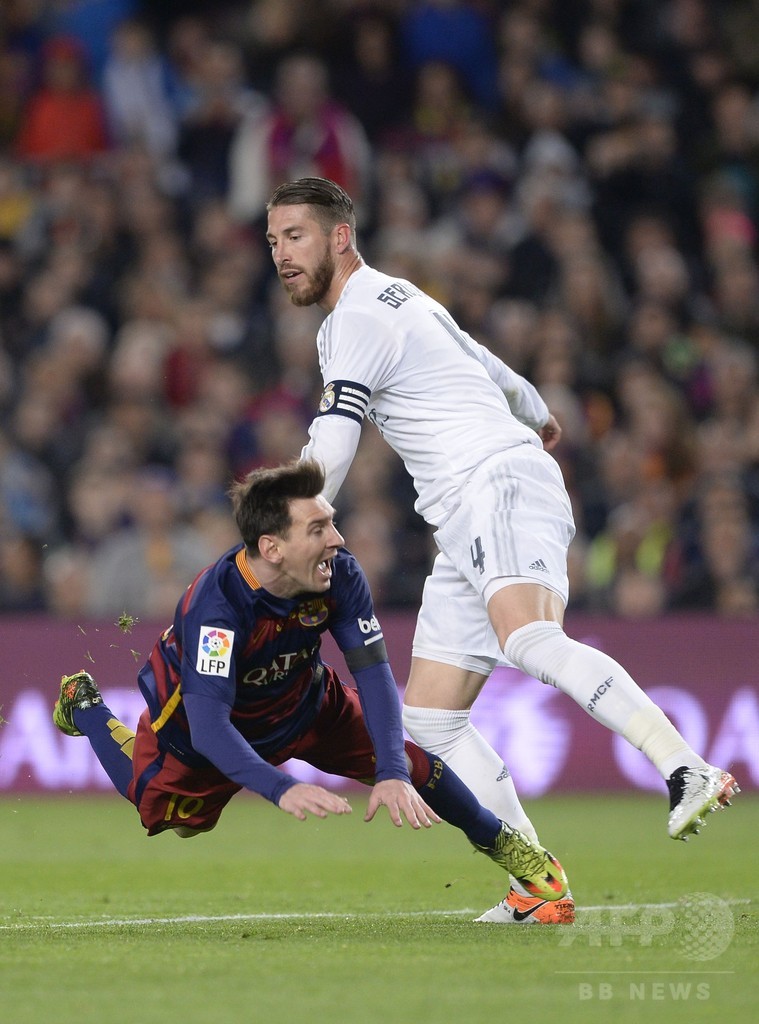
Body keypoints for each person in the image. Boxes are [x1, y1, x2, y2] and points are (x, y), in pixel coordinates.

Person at [265, 176, 740, 924]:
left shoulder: (356, 317)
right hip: (466, 513)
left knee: (529, 639)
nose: (281, 254)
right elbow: (483, 361)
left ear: (340, 236)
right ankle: (536, 884)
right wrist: (536, 410)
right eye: (272, 241)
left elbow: (334, 439)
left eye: (295, 236)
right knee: (429, 721)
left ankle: (685, 766)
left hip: (494, 482)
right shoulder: (402, 299)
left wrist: (289, 518)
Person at [53, 459, 568, 919]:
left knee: (410, 765)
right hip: (202, 727)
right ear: (272, 547)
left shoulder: (337, 573)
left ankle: (523, 861)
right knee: (180, 822)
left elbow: (372, 671)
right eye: (318, 529)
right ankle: (86, 706)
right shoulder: (217, 609)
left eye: (332, 523)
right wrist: (281, 787)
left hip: (308, 704)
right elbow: (209, 725)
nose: (337, 539)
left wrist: (390, 769)